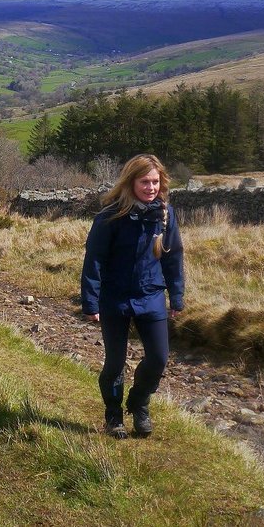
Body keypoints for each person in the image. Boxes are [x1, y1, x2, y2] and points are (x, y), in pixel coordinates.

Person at [80, 153, 184, 439]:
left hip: (150, 295)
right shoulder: (110, 215)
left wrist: (176, 296)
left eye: (155, 182)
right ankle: (113, 415)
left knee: (159, 358)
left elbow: (173, 257)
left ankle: (139, 403)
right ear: (130, 182)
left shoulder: (165, 214)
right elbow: (95, 260)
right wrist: (90, 301)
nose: (151, 188)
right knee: (115, 362)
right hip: (114, 298)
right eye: (144, 182)